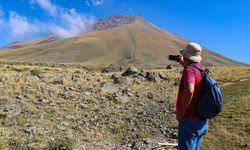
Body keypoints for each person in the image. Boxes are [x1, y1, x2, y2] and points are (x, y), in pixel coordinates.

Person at [176, 42, 208, 150]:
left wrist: (181, 111)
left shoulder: (189, 70)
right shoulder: (200, 69)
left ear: (186, 56)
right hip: (201, 119)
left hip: (189, 119)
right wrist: (183, 64)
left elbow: (190, 91)